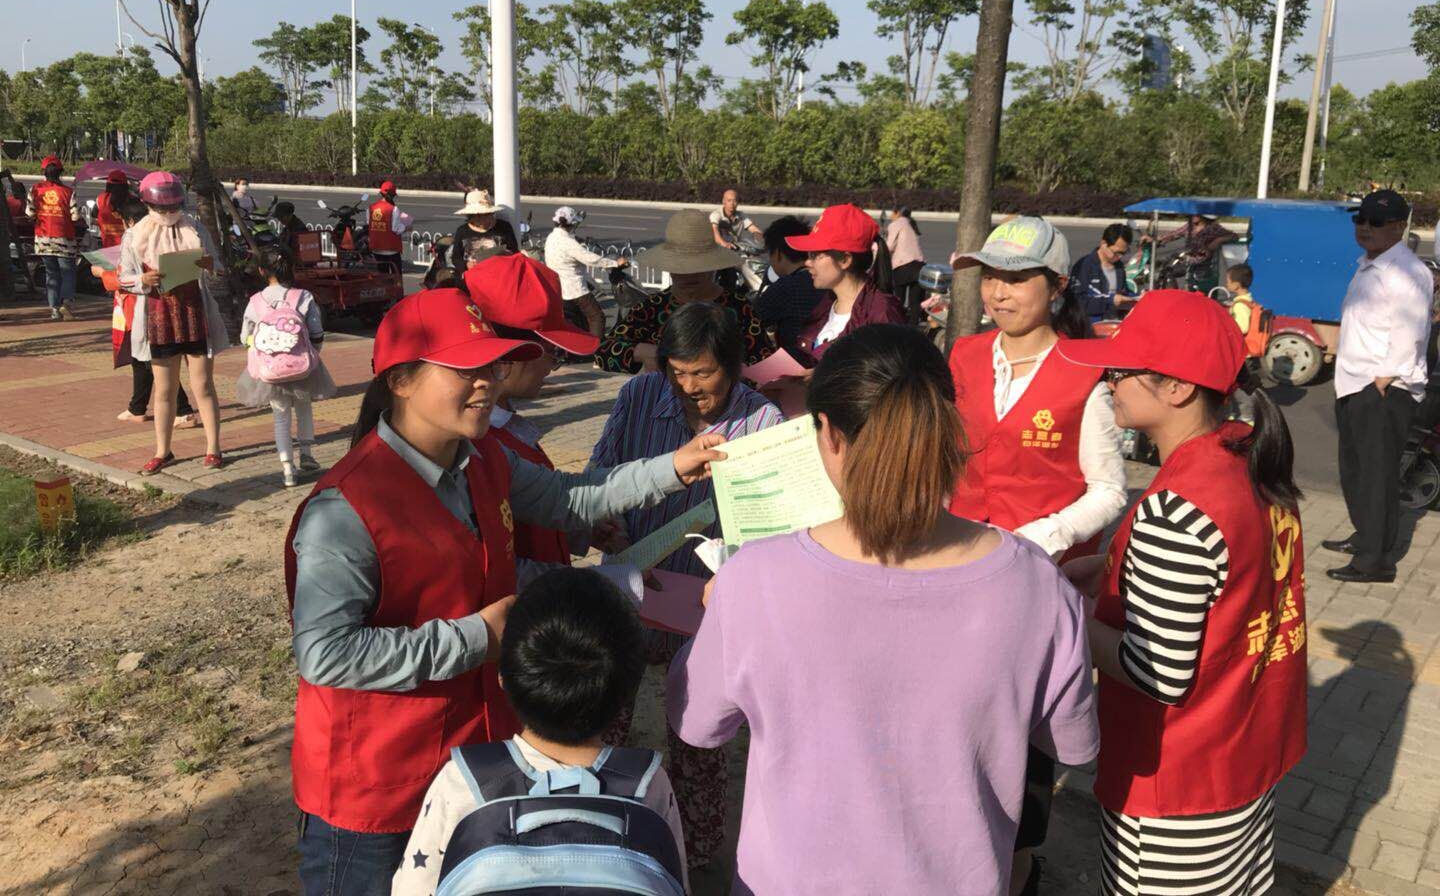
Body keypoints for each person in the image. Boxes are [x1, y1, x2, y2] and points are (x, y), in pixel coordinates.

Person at [285, 286, 726, 895]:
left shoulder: (482, 459)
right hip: (379, 785)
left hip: (470, 764)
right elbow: (325, 653)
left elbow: (569, 498)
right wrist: (477, 638)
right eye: (464, 369)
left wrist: (674, 468)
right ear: (401, 380)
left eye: (491, 367)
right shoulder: (345, 509)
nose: (486, 384)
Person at [668, 324, 1099, 895]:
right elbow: (1072, 743)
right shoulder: (1035, 582)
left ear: (828, 434)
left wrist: (717, 616)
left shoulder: (753, 578)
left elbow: (698, 722)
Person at [1055, 290, 1308, 896]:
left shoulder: (1176, 509)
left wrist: (1061, 616)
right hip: (1246, 760)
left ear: (1177, 388)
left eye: (1121, 371)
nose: (1108, 383)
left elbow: (1156, 671)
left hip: (1177, 792)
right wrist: (1111, 567)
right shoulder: (1246, 456)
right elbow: (1231, 582)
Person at [946, 215, 1125, 893]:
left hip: (1036, 586)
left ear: (1055, 286)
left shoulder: (1087, 371)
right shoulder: (963, 356)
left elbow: (1109, 490)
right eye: (991, 276)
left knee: (1022, 739)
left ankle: (1018, 871)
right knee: (957, 721)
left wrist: (1039, 539)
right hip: (956, 575)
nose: (998, 291)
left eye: (1017, 278)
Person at [591, 301, 783, 872]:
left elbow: (774, 524)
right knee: (603, 716)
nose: (690, 387)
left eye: (704, 373)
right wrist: (606, 521)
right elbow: (602, 472)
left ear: (735, 365)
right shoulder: (639, 396)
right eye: (678, 372)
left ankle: (694, 853)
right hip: (631, 586)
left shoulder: (764, 424)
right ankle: (599, 832)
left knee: (699, 733)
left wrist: (736, 570)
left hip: (707, 606)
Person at [393, 568, 687, 896]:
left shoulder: (465, 781)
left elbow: (413, 888)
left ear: (504, 676)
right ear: (627, 689)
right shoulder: (647, 782)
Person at [464, 252, 603, 564]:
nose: (552, 368)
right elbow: (492, 569)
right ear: (513, 352)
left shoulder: (503, 426)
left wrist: (579, 531)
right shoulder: (470, 447)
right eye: (553, 353)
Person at [1327, 189, 1432, 584]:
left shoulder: (1407, 271)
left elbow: (1411, 331)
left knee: (1376, 477)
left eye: (1375, 221)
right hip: (1355, 384)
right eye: (1360, 219)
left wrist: (1383, 381)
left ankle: (1375, 562)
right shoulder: (1367, 265)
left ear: (1398, 226)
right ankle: (1366, 537)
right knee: (1355, 472)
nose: (1364, 227)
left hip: (1384, 389)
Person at [118, 171, 229, 474]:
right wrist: (143, 279)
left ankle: (213, 448)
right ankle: (162, 451)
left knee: (203, 385)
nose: (168, 213)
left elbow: (217, 266)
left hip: (194, 312)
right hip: (159, 315)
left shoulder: (195, 228)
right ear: (148, 204)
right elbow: (124, 278)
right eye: (161, 208)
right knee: (164, 390)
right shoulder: (135, 235)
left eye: (173, 207)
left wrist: (208, 264)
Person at [596, 209, 774, 374]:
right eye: (680, 267)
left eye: (698, 266)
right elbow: (604, 352)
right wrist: (644, 351)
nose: (689, 274)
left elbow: (766, 362)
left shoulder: (739, 308)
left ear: (714, 265)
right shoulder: (654, 307)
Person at [236, 248, 337, 488]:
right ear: (290, 268)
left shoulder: (255, 302)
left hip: (270, 370)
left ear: (262, 271)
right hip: (302, 365)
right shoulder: (303, 296)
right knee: (304, 406)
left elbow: (244, 338)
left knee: (280, 416)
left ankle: (287, 468)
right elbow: (317, 333)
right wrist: (310, 354)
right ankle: (307, 454)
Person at [94, 197, 198, 427]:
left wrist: (103, 274)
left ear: (130, 221)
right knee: (142, 361)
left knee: (155, 361)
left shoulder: (137, 237)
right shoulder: (152, 235)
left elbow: (125, 279)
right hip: (141, 307)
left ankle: (183, 411)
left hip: (143, 308)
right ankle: (137, 407)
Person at [787, 203, 904, 368]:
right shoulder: (825, 304)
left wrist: (820, 376)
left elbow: (891, 376)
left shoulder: (881, 312)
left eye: (815, 255)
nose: (807, 262)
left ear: (845, 260)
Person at [544, 205, 627, 339]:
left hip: (559, 288)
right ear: (572, 224)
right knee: (597, 317)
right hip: (575, 289)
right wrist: (615, 263)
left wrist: (577, 240)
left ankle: (580, 345)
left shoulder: (552, 237)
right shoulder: (567, 242)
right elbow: (590, 259)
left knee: (579, 320)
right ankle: (596, 347)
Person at [752, 215, 823, 358]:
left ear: (777, 253)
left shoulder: (785, 287)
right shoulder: (824, 280)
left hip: (795, 363)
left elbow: (752, 318)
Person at [26, 155, 81, 321]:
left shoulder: (35, 190)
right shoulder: (68, 192)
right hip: (65, 239)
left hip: (43, 240)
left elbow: (29, 213)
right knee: (67, 272)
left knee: (51, 274)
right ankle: (67, 303)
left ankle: (54, 310)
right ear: (60, 172)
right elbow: (75, 217)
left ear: (44, 171)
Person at [1071, 222, 1138, 323]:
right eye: (1116, 252)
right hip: (1089, 326)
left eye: (1123, 253)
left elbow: (1123, 293)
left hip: (1115, 325)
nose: (1120, 257)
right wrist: (1110, 301)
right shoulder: (1084, 265)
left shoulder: (1119, 268)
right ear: (1103, 244)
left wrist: (1136, 298)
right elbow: (1077, 303)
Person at [451, 188, 519, 271]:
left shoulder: (504, 227)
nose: (482, 219)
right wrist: (467, 265)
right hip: (473, 274)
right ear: (470, 216)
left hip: (499, 273)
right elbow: (456, 258)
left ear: (491, 213)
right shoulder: (462, 231)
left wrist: (506, 255)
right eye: (477, 216)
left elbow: (515, 252)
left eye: (486, 215)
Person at [886, 206, 925, 324]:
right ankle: (913, 328)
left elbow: (889, 246)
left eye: (891, 213)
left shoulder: (896, 224)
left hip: (903, 265)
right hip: (919, 266)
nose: (890, 216)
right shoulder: (911, 224)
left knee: (898, 300)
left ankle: (898, 326)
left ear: (897, 213)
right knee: (915, 302)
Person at [368, 179, 411, 273]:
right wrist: (407, 227)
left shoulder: (371, 208)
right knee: (396, 276)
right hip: (391, 249)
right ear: (393, 195)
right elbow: (396, 229)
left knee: (383, 276)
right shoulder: (394, 209)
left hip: (376, 248)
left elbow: (369, 224)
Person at [95, 170, 132, 249]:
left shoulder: (100, 199)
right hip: (128, 247)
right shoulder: (132, 199)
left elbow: (93, 216)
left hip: (107, 246)